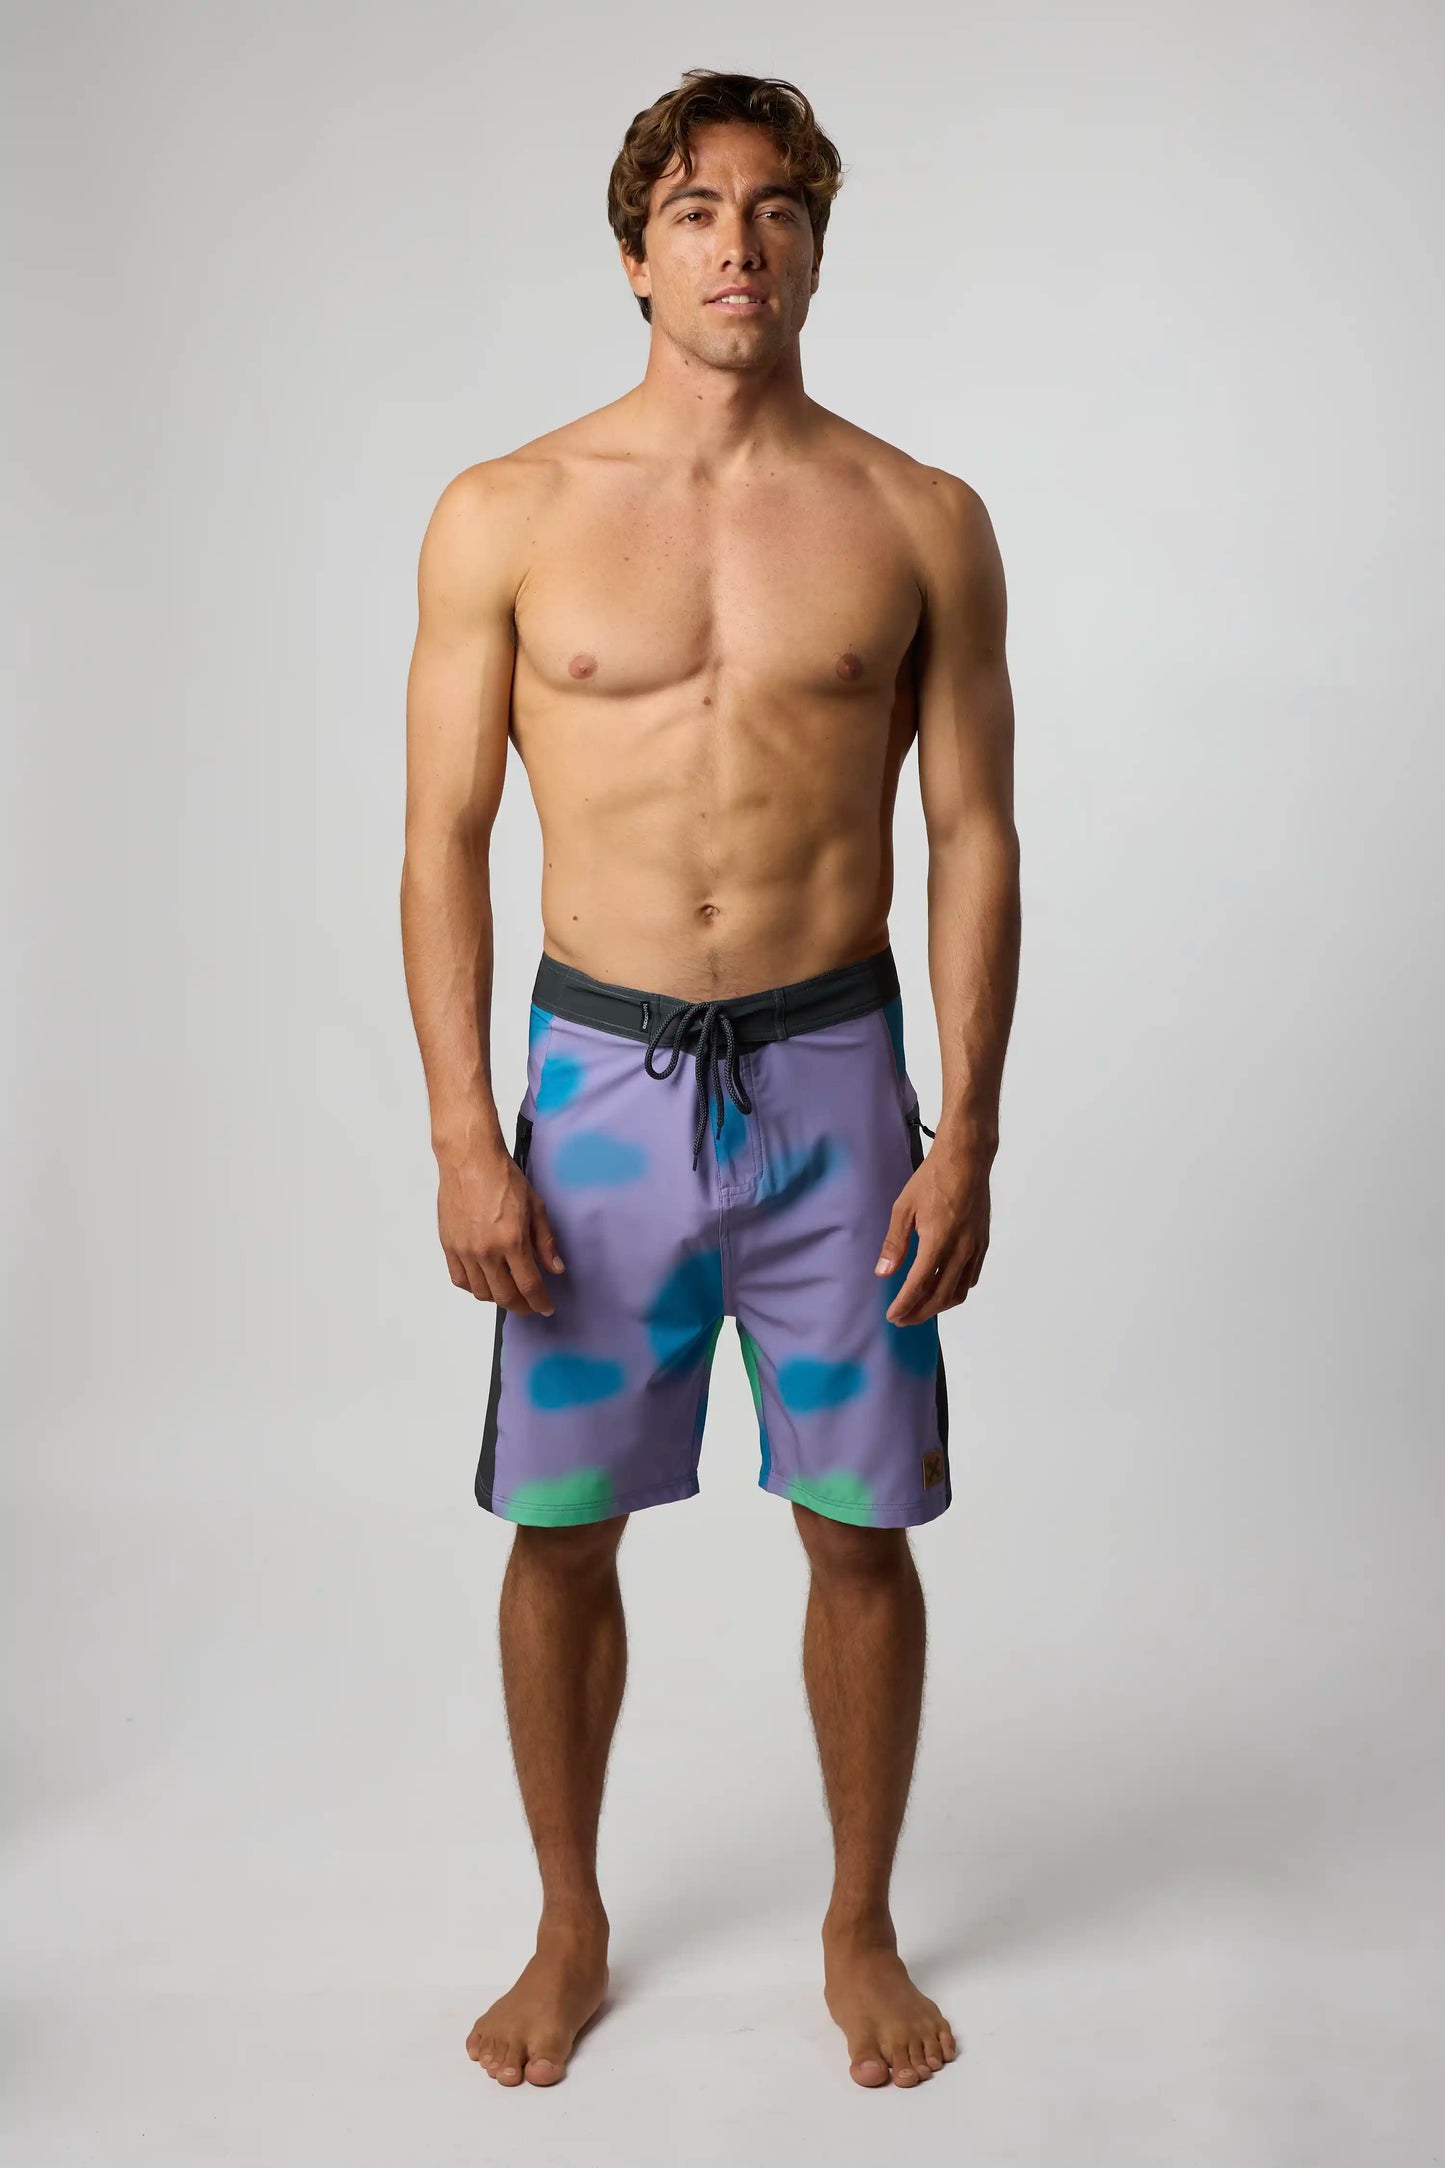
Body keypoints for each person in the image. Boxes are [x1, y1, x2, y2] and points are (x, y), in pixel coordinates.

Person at [400, 66, 1020, 2093]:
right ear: (633, 254)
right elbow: (440, 837)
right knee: (562, 1523)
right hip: (599, 1090)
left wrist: (968, 1127)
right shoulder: (507, 512)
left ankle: (860, 1924)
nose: (736, 243)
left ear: (817, 246)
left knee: (860, 1525)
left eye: (773, 209)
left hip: (837, 1082)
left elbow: (975, 835)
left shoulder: (918, 518)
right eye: (693, 209)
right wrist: (464, 1130)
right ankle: (568, 1921)